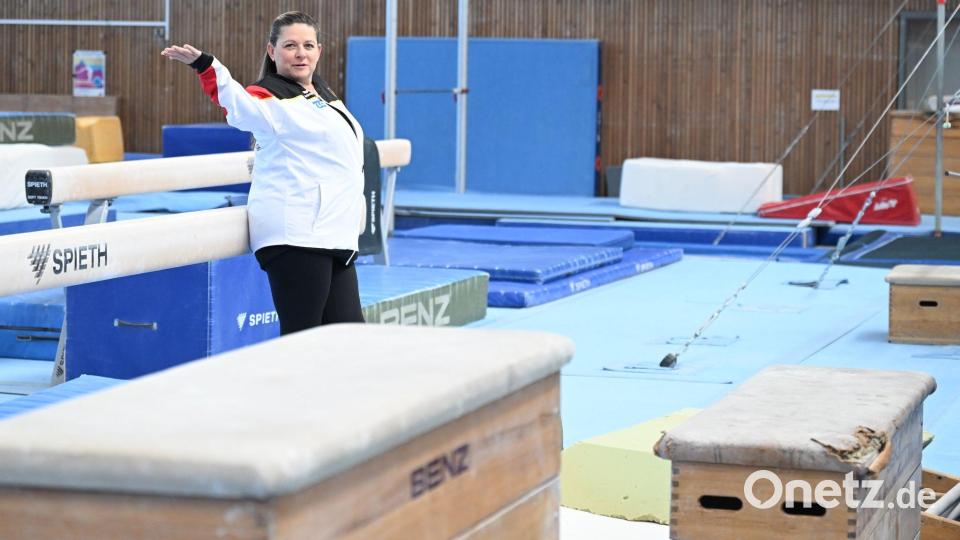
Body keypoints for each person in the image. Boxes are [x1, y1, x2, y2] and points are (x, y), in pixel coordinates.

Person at [162, 11, 366, 335]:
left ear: (320, 51)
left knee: (347, 340)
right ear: (272, 51)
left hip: (335, 232)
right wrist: (206, 65)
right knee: (303, 339)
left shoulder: (324, 97)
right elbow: (238, 105)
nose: (301, 53)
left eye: (308, 45)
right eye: (290, 45)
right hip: (298, 235)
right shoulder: (268, 98)